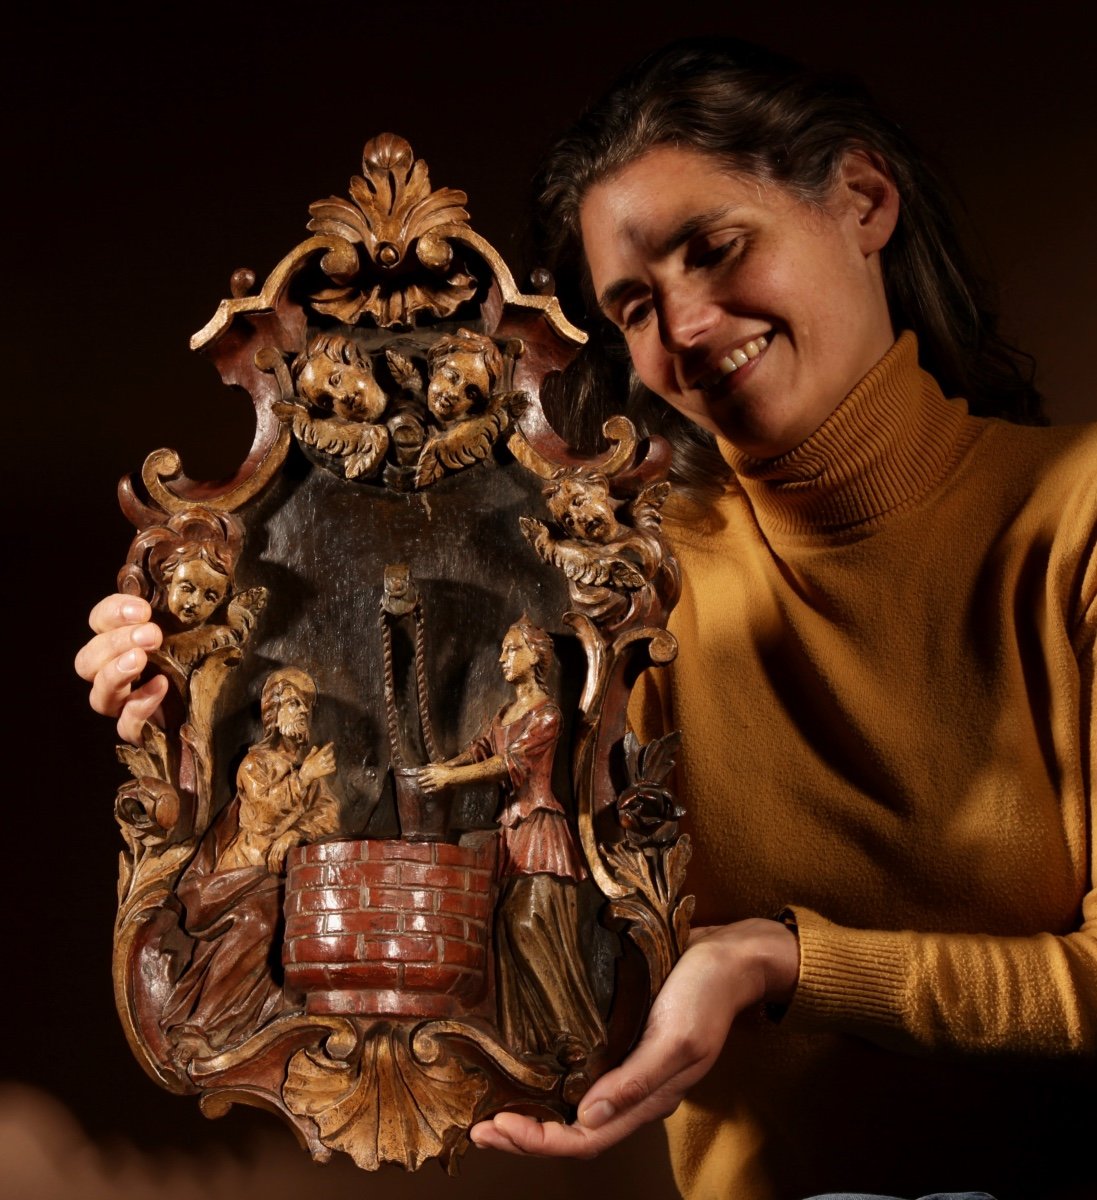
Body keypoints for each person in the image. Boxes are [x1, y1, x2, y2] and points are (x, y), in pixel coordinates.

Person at [76, 37, 1095, 1200]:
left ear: (862, 201)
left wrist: (779, 963)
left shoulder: (1074, 519)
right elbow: (407, 765)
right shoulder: (623, 584)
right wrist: (206, 684)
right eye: (631, 307)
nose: (686, 328)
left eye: (713, 250)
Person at [418, 618, 604, 1061]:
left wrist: (451, 776)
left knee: (526, 923)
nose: (503, 659)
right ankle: (535, 1038)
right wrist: (439, 767)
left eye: (511, 650)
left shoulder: (547, 716)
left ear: (536, 656)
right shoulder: (504, 714)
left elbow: (508, 765)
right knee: (506, 927)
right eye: (502, 651)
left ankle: (570, 1032)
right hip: (511, 834)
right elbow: (479, 752)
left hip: (540, 831)